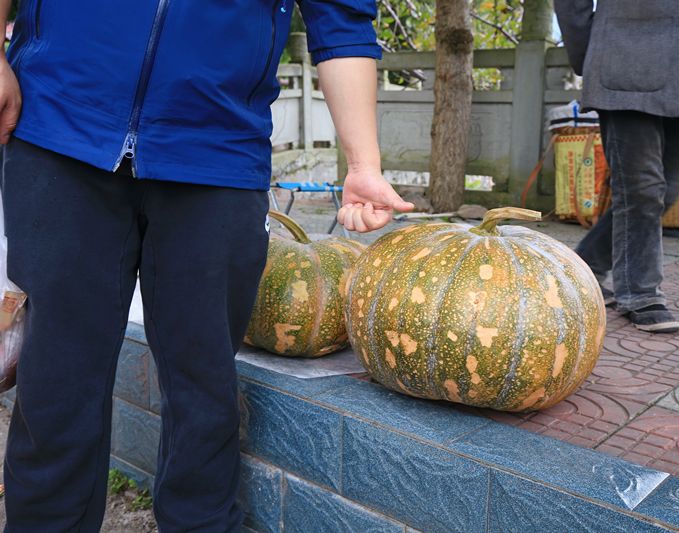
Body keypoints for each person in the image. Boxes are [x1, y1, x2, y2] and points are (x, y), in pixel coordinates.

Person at [0, 0, 412, 530]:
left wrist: (363, 163)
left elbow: (342, 19)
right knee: (56, 376)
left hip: (218, 155)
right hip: (58, 131)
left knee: (203, 379)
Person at [555, 0, 679, 333]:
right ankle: (640, 293)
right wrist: (589, 54)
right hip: (626, 63)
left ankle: (584, 266)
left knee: (668, 188)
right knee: (642, 189)